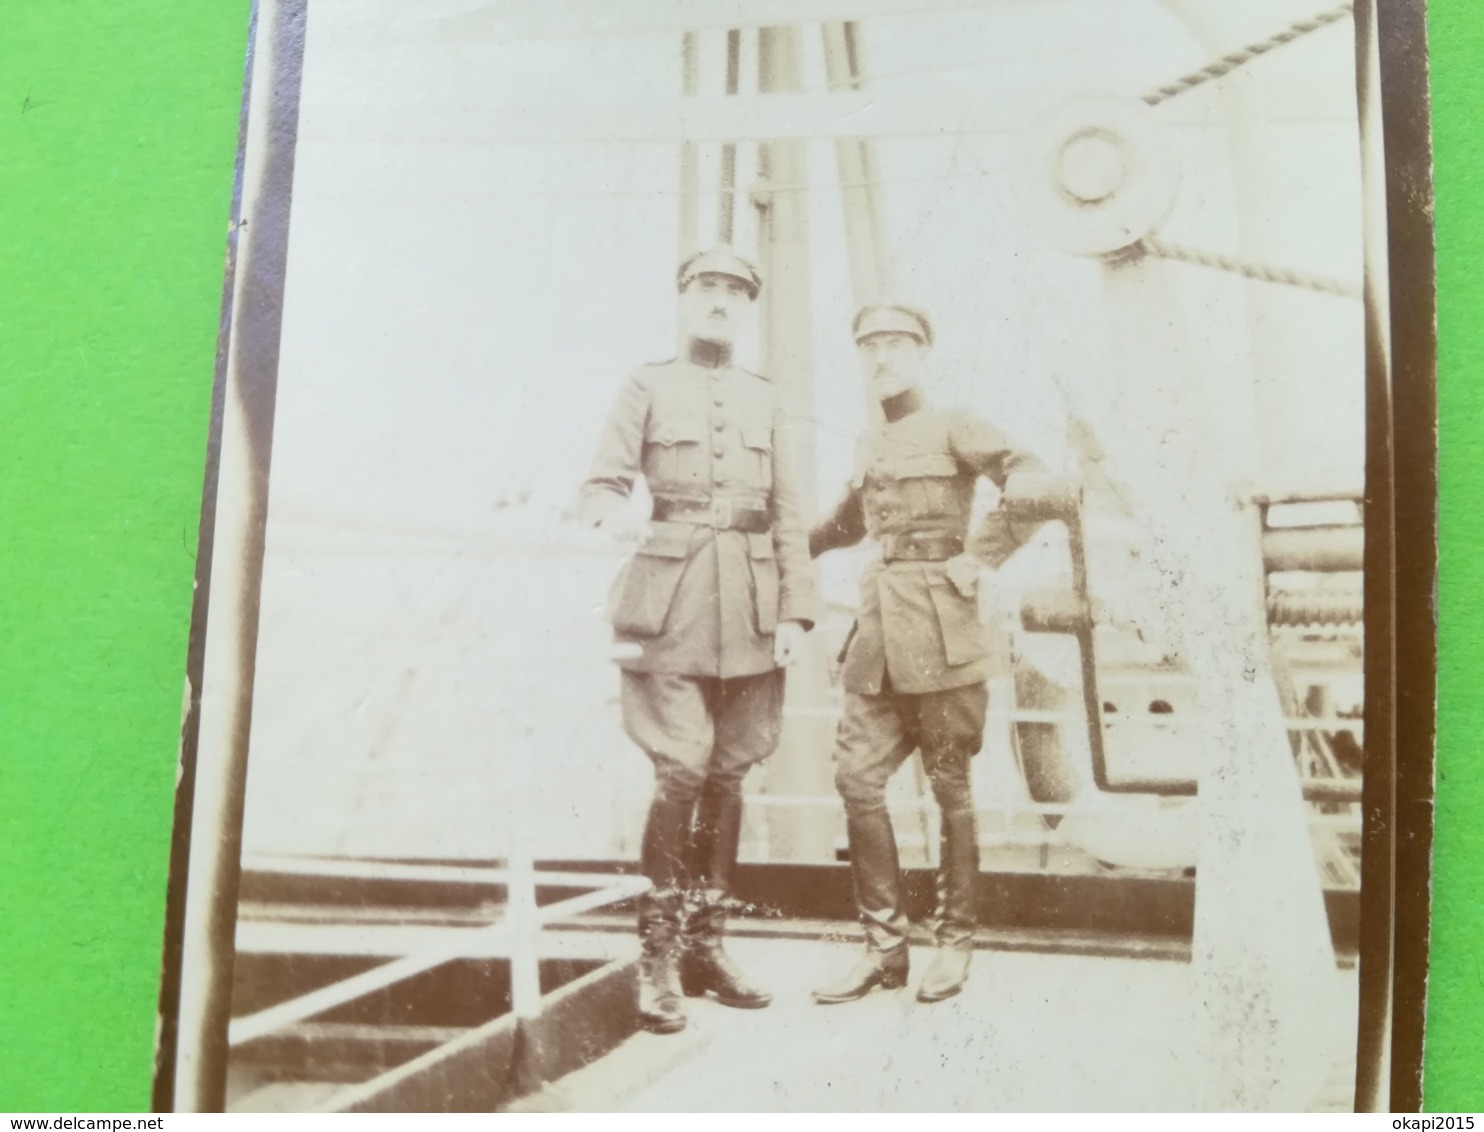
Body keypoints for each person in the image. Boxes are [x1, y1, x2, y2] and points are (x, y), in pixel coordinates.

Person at [578, 247, 816, 1034]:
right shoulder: (646, 384)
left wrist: (794, 613)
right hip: (667, 604)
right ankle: (658, 955)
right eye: (707, 289)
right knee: (680, 767)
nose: (720, 302)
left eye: (734, 292)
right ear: (683, 300)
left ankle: (709, 948)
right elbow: (604, 481)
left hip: (751, 609)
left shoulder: (768, 399)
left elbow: (789, 513)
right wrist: (611, 515)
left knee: (731, 772)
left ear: (747, 308)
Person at [809, 303, 1049, 1006]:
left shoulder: (957, 422)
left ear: (921, 354)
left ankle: (954, 941)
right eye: (870, 347)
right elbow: (845, 525)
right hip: (878, 636)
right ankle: (884, 951)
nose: (882, 358)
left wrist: (982, 556)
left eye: (896, 345)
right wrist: (787, 544)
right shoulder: (867, 444)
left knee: (950, 789)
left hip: (946, 633)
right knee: (856, 781)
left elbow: (1036, 482)